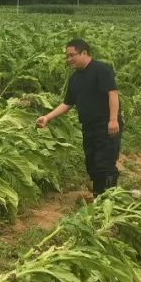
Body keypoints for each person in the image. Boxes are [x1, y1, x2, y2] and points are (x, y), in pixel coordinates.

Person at [36, 38, 122, 196]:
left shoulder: (101, 70)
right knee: (92, 163)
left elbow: (113, 94)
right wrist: (47, 117)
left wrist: (113, 119)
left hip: (106, 124)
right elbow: (67, 104)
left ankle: (110, 200)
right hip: (88, 126)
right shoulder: (75, 78)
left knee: (106, 163)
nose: (68, 60)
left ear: (84, 52)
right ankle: (98, 196)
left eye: (71, 55)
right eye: (67, 57)